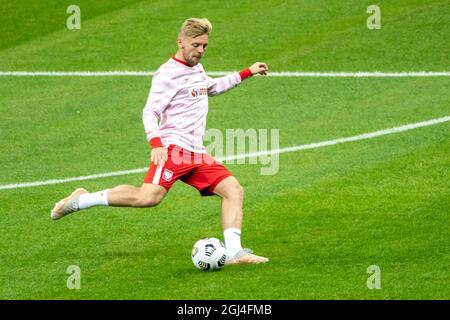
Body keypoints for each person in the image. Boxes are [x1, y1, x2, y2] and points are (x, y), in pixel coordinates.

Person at [51, 17, 269, 265]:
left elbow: (211, 88)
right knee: (148, 198)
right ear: (180, 41)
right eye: (195, 45)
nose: (200, 51)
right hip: (174, 150)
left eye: (204, 46)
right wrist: (156, 144)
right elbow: (150, 112)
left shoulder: (196, 68)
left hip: (195, 152)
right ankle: (81, 199)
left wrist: (247, 72)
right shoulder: (167, 74)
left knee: (233, 190)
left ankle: (234, 252)